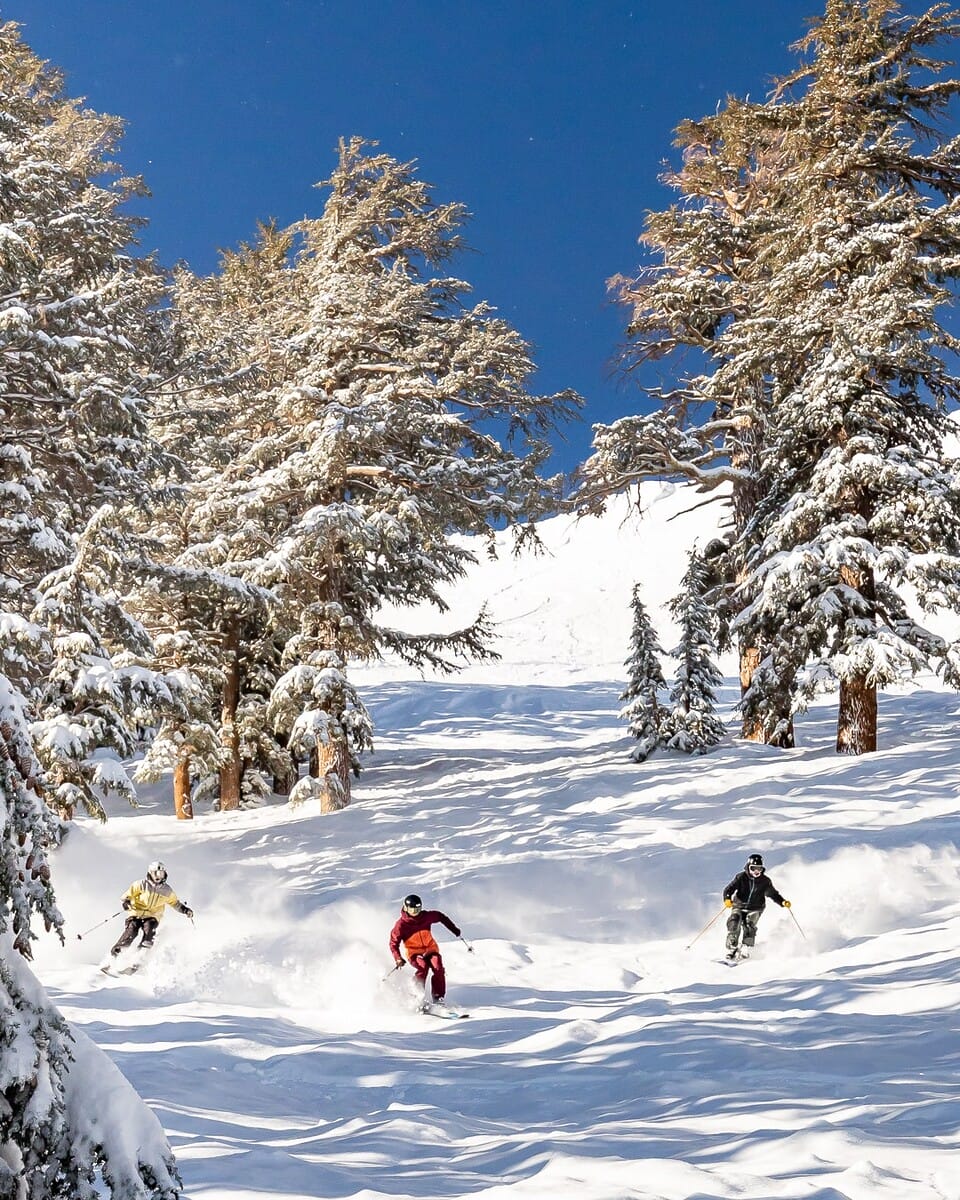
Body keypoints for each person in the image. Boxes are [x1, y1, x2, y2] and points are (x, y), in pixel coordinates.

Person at [108, 861, 193, 962]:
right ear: (150, 873)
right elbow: (127, 896)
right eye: (156, 873)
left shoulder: (167, 890)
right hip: (136, 913)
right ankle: (115, 956)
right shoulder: (140, 884)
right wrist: (126, 902)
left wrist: (185, 910)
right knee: (132, 931)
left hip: (152, 916)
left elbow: (175, 903)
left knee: (149, 931)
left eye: (161, 874)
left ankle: (139, 957)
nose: (158, 877)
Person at [389, 893, 461, 1006]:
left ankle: (438, 997)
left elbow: (440, 916)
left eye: (418, 909)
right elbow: (393, 943)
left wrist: (454, 929)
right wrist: (398, 958)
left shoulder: (426, 917)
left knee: (438, 968)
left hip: (430, 949)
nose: (416, 912)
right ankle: (416, 997)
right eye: (413, 910)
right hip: (414, 952)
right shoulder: (401, 925)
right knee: (423, 967)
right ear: (406, 908)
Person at [722, 852, 790, 960]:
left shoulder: (765, 881)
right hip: (739, 906)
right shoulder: (741, 877)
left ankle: (747, 946)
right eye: (753, 868)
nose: (756, 872)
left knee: (749, 924)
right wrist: (727, 899)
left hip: (756, 907)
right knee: (734, 921)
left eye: (759, 869)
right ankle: (732, 946)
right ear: (748, 867)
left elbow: (772, 894)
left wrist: (782, 902)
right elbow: (728, 889)